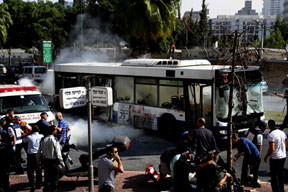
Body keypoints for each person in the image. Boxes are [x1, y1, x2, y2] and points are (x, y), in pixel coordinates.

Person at [37, 125, 64, 192]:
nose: (56, 131)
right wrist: (62, 162)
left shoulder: (43, 139)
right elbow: (58, 153)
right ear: (53, 131)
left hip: (46, 162)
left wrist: (39, 162)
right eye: (55, 130)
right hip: (53, 162)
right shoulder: (54, 139)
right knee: (54, 180)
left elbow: (39, 152)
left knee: (47, 178)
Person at [264, 120, 288, 192]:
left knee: (274, 176)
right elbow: (286, 143)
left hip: (275, 158)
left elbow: (271, 149)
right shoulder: (282, 132)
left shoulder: (271, 135)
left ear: (269, 125)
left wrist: (266, 156)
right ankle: (281, 189)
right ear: (275, 125)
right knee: (281, 175)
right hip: (283, 156)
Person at [23, 124, 43, 191]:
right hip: (39, 154)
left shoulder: (29, 137)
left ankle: (32, 185)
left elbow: (24, 140)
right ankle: (39, 184)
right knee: (39, 170)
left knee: (30, 171)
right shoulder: (41, 136)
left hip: (31, 155)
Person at [0, 118, 13, 192]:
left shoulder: (4, 129)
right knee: (4, 172)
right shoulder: (2, 130)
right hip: (4, 152)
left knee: (4, 172)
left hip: (5, 152)